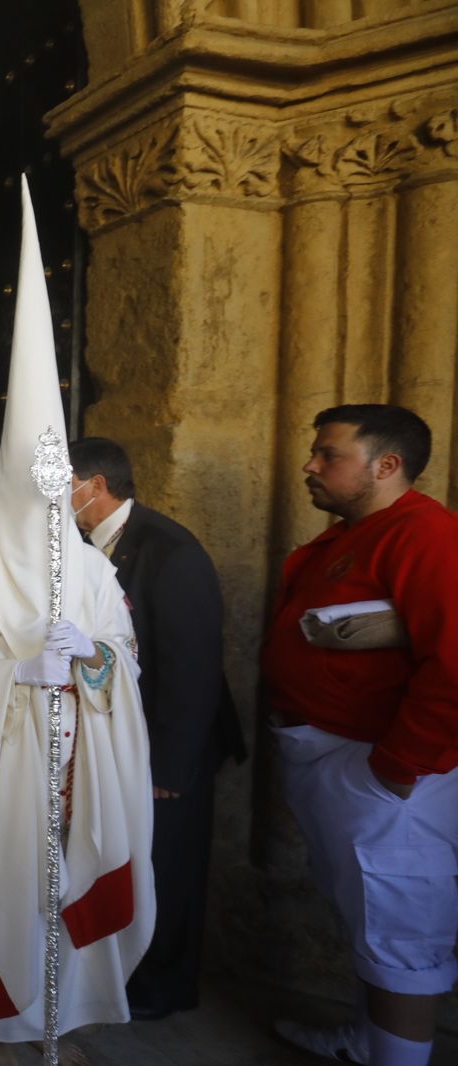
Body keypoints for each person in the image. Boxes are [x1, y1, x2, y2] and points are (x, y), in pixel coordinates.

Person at [0, 180, 153, 1066]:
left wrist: (91, 655)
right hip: (9, 763)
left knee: (68, 886)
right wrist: (15, 674)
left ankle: (63, 1014)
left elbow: (123, 663)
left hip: (80, 763)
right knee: (10, 889)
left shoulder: (93, 567)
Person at [263, 404, 458, 1066]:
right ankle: (369, 1043)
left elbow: (455, 664)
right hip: (334, 760)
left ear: (387, 465)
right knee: (367, 921)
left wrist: (397, 768)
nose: (310, 466)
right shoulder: (351, 535)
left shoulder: (425, 536)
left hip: (384, 772)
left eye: (328, 455)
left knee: (402, 936)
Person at [68, 436, 245, 1020]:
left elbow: (192, 667)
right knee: (137, 860)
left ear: (94, 485)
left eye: (59, 481)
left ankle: (161, 990)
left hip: (172, 747)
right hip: (123, 739)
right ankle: (124, 976)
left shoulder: (169, 550)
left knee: (168, 865)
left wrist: (170, 765)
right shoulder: (84, 545)